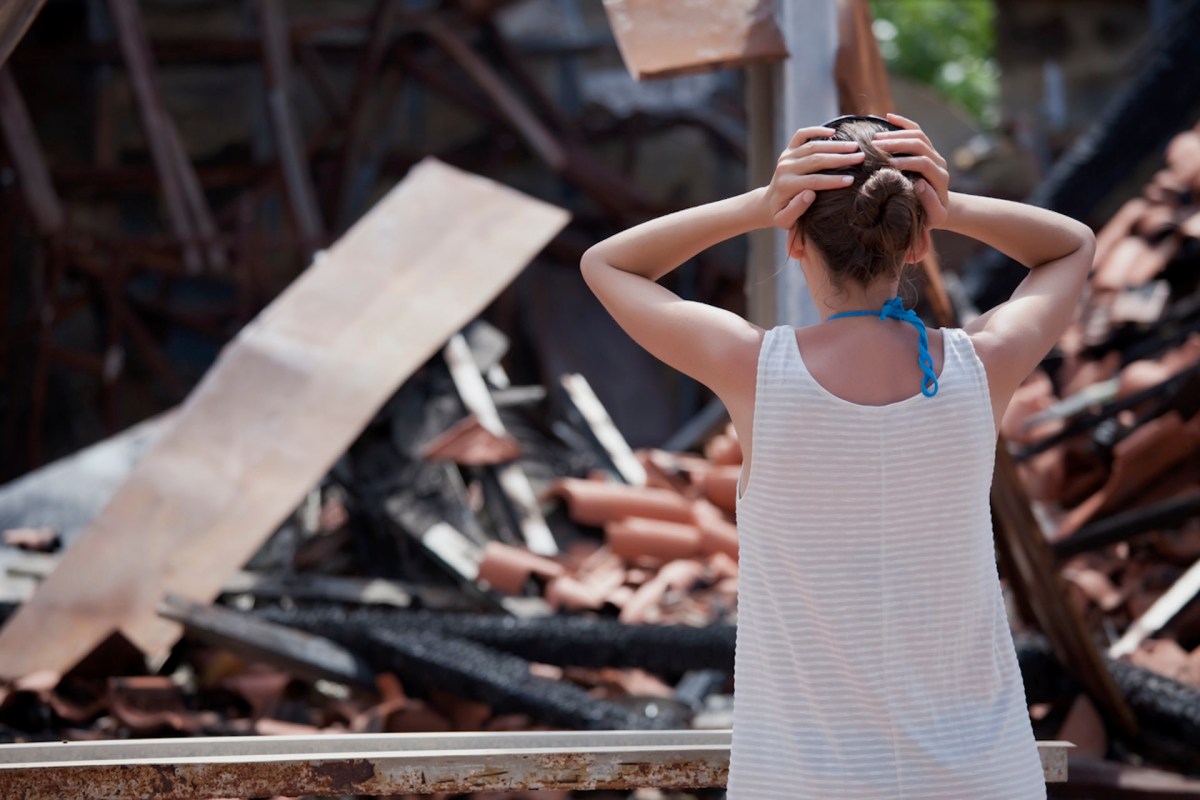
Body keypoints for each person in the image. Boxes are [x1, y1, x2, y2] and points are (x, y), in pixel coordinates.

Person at [580, 112, 1094, 799]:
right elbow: (1072, 246)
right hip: (983, 775)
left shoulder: (754, 370)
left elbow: (606, 262)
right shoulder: (982, 366)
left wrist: (755, 205)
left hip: (803, 782)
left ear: (794, 240)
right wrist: (953, 205)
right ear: (915, 241)